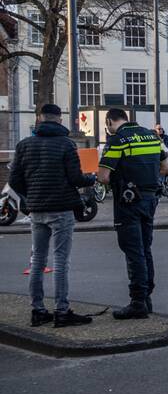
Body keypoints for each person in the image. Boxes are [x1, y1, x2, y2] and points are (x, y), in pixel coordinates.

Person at [9, 104, 96, 327]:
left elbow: (15, 180)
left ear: (39, 119)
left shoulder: (24, 145)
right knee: (60, 261)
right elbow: (76, 178)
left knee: (37, 260)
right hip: (62, 209)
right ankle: (62, 311)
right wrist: (92, 179)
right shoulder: (66, 144)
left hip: (37, 210)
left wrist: (30, 198)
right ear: (59, 119)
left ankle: (37, 310)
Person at [97, 108, 168, 319]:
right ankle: (146, 298)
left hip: (128, 202)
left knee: (133, 250)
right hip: (150, 199)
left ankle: (137, 301)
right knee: (145, 248)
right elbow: (166, 168)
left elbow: (103, 176)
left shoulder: (117, 140)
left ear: (110, 122)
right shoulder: (151, 136)